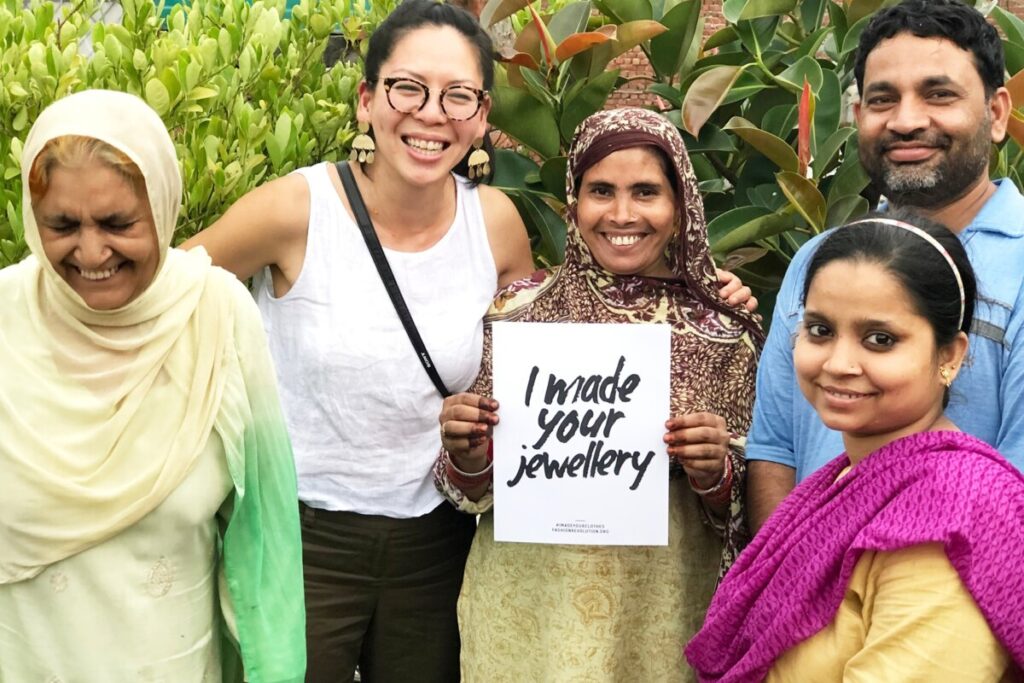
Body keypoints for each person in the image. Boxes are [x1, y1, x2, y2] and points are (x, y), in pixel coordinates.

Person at [185, 2, 756, 679]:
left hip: (439, 542)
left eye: (457, 95)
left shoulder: (495, 222)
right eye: (406, 87)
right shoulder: (294, 209)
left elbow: (545, 343)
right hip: (307, 536)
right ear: (367, 99)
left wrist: (696, 288)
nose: (431, 113)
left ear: (483, 115)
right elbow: (167, 299)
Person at [433, 107, 763, 681]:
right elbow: (471, 493)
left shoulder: (723, 329)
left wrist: (717, 471)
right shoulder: (519, 311)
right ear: (573, 202)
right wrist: (466, 453)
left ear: (681, 204)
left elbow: (754, 513)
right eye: (601, 191)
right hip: (529, 610)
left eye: (646, 192)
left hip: (658, 613)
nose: (622, 214)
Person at [0, 90, 305, 681]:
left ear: (162, 208)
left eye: (117, 223)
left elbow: (264, 537)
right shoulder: (5, 321)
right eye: (61, 225)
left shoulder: (215, 317)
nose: (91, 252)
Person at [686, 214, 1024, 682]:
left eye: (880, 340)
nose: (839, 363)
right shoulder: (843, 479)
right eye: (820, 330)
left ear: (950, 355)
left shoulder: (947, 518)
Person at [746, 0, 1024, 532]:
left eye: (938, 94)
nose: (906, 120)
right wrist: (786, 587)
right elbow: (776, 445)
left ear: (995, 114)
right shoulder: (819, 258)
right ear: (858, 118)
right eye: (882, 99)